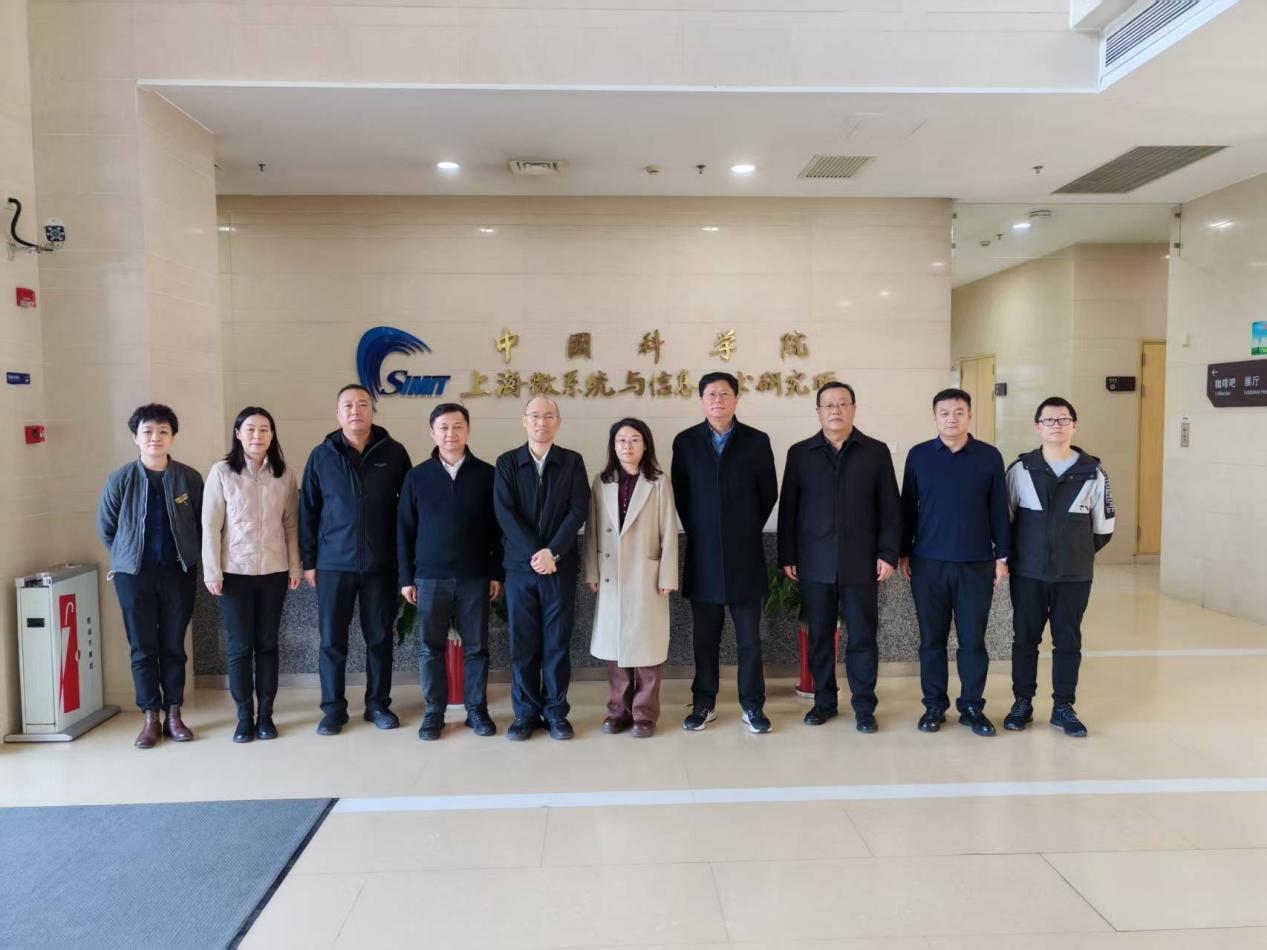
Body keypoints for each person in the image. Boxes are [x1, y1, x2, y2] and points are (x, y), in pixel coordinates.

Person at [777, 382, 901, 733]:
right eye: (828, 404)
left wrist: (888, 553)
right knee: (820, 636)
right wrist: (788, 554)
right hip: (814, 562)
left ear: (853, 409)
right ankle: (824, 702)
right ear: (818, 411)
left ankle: (864, 706)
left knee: (862, 637)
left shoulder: (875, 452)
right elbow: (789, 508)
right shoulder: (800, 453)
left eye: (842, 403)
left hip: (862, 562)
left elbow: (890, 507)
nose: (835, 410)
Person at [299, 384, 412, 735]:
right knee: (332, 641)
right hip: (334, 565)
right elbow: (308, 511)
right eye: (347, 405)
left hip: (382, 565)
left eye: (362, 404)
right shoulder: (322, 456)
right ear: (338, 414)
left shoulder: (394, 453)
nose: (355, 410)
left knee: (379, 639)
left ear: (372, 411)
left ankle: (378, 705)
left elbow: (408, 512)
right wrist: (309, 561)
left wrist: (405, 563)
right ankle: (333, 709)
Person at [671, 372, 778, 734]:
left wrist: (742, 529)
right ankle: (704, 704)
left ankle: (752, 705)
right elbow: (681, 495)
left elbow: (768, 493)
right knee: (704, 639)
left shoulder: (756, 441)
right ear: (702, 401)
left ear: (736, 399)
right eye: (711, 395)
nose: (717, 400)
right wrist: (703, 530)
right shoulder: (686, 442)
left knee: (750, 640)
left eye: (724, 394)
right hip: (703, 557)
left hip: (745, 556)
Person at [900, 388, 1010, 737]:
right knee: (931, 641)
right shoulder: (919, 456)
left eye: (959, 412)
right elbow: (907, 507)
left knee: (972, 641)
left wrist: (1002, 556)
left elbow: (999, 508)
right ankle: (934, 706)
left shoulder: (989, 457)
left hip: (975, 563)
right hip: (928, 564)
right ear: (935, 417)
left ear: (969, 416)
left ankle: (972, 706)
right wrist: (904, 552)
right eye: (944, 413)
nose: (952, 418)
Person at [1004, 397, 1115, 737]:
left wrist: (1073, 554)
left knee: (1068, 640)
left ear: (1074, 425)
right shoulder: (1020, 470)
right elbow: (1006, 521)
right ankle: (1022, 702)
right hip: (1028, 574)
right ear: (1037, 427)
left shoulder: (1093, 472)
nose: (1056, 425)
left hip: (1074, 575)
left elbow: (1103, 529)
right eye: (1049, 420)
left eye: (1063, 419)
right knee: (1025, 639)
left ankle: (1063, 706)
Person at [96, 404, 203, 749]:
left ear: (172, 437)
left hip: (178, 573)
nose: (155, 438)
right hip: (134, 576)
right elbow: (107, 529)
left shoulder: (189, 478)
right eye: (147, 432)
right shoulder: (120, 479)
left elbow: (202, 524)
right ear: (136, 438)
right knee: (142, 647)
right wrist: (130, 555)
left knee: (174, 645)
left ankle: (174, 713)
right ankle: (150, 717)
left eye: (163, 432)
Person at [398, 403, 503, 741]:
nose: (450, 433)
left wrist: (495, 572)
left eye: (457, 426)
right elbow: (404, 531)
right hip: (430, 578)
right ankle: (434, 713)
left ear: (467, 430)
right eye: (443, 427)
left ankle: (477, 710)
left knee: (477, 648)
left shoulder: (487, 475)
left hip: (475, 576)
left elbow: (498, 530)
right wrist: (406, 578)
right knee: (430, 648)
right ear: (432, 432)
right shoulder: (417, 476)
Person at [202, 406, 301, 743]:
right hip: (234, 574)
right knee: (240, 647)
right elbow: (210, 525)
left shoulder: (284, 474)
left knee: (268, 644)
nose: (257, 436)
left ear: (272, 435)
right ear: (238, 434)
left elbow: (291, 524)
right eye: (250, 429)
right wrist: (212, 571)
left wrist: (295, 565)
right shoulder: (222, 472)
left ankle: (266, 716)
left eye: (264, 429)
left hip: (274, 571)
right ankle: (245, 718)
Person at [493, 396, 590, 741]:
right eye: (535, 416)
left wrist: (553, 553)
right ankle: (525, 714)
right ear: (524, 421)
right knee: (523, 644)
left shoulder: (572, 462)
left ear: (558, 422)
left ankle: (555, 713)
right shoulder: (507, 462)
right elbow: (504, 512)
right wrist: (536, 552)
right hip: (520, 569)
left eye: (549, 416)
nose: (541, 422)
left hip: (559, 568)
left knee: (557, 643)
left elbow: (578, 510)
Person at [584, 418, 679, 738]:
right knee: (615, 647)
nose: (627, 446)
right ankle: (618, 711)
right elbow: (592, 530)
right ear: (613, 446)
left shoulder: (658, 481)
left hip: (645, 574)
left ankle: (644, 714)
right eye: (621, 440)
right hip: (611, 573)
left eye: (634, 439)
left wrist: (667, 575)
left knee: (647, 646)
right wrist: (591, 570)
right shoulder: (602, 481)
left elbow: (669, 530)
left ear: (645, 444)